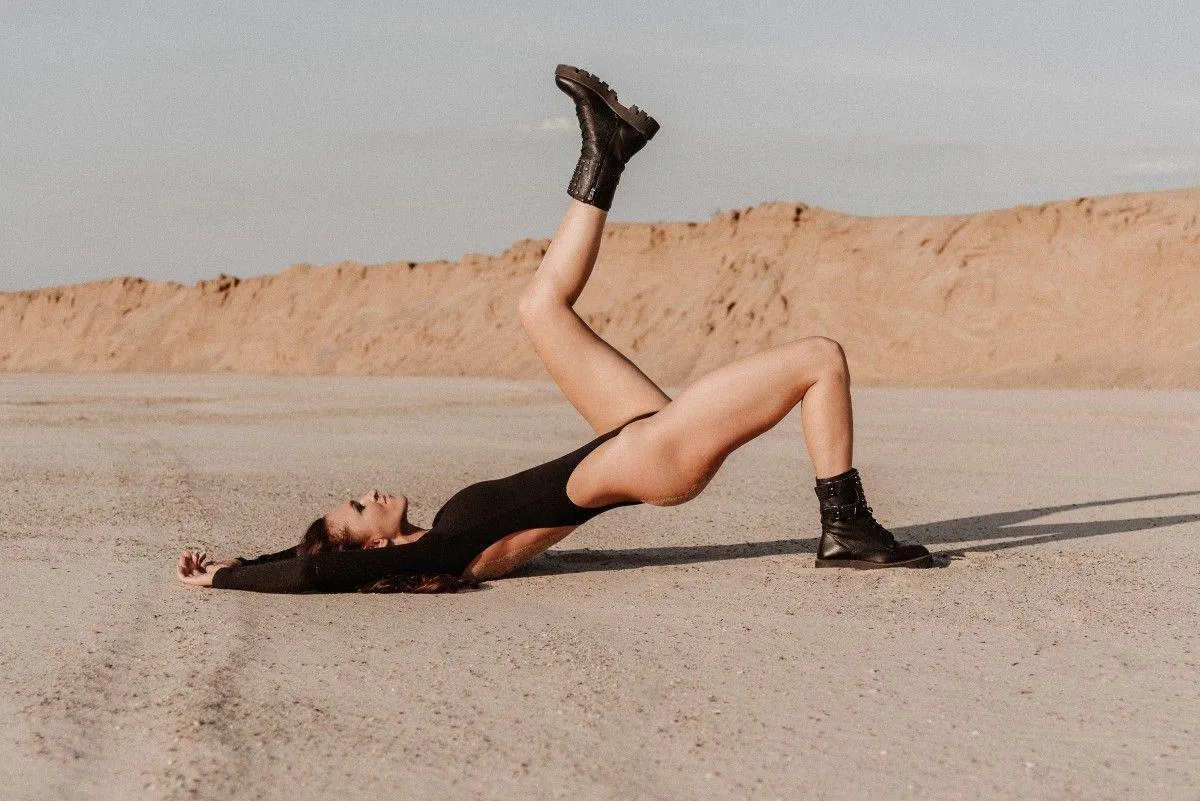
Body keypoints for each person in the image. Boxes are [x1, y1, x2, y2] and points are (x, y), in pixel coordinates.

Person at [176, 64, 932, 594]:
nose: (366, 491)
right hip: (652, 458)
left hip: (629, 437)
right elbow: (313, 570)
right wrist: (225, 578)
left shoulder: (442, 536)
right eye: (356, 506)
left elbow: (309, 557)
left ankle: (606, 152)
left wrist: (241, 557)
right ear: (371, 546)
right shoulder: (439, 549)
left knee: (538, 308)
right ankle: (847, 528)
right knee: (820, 359)